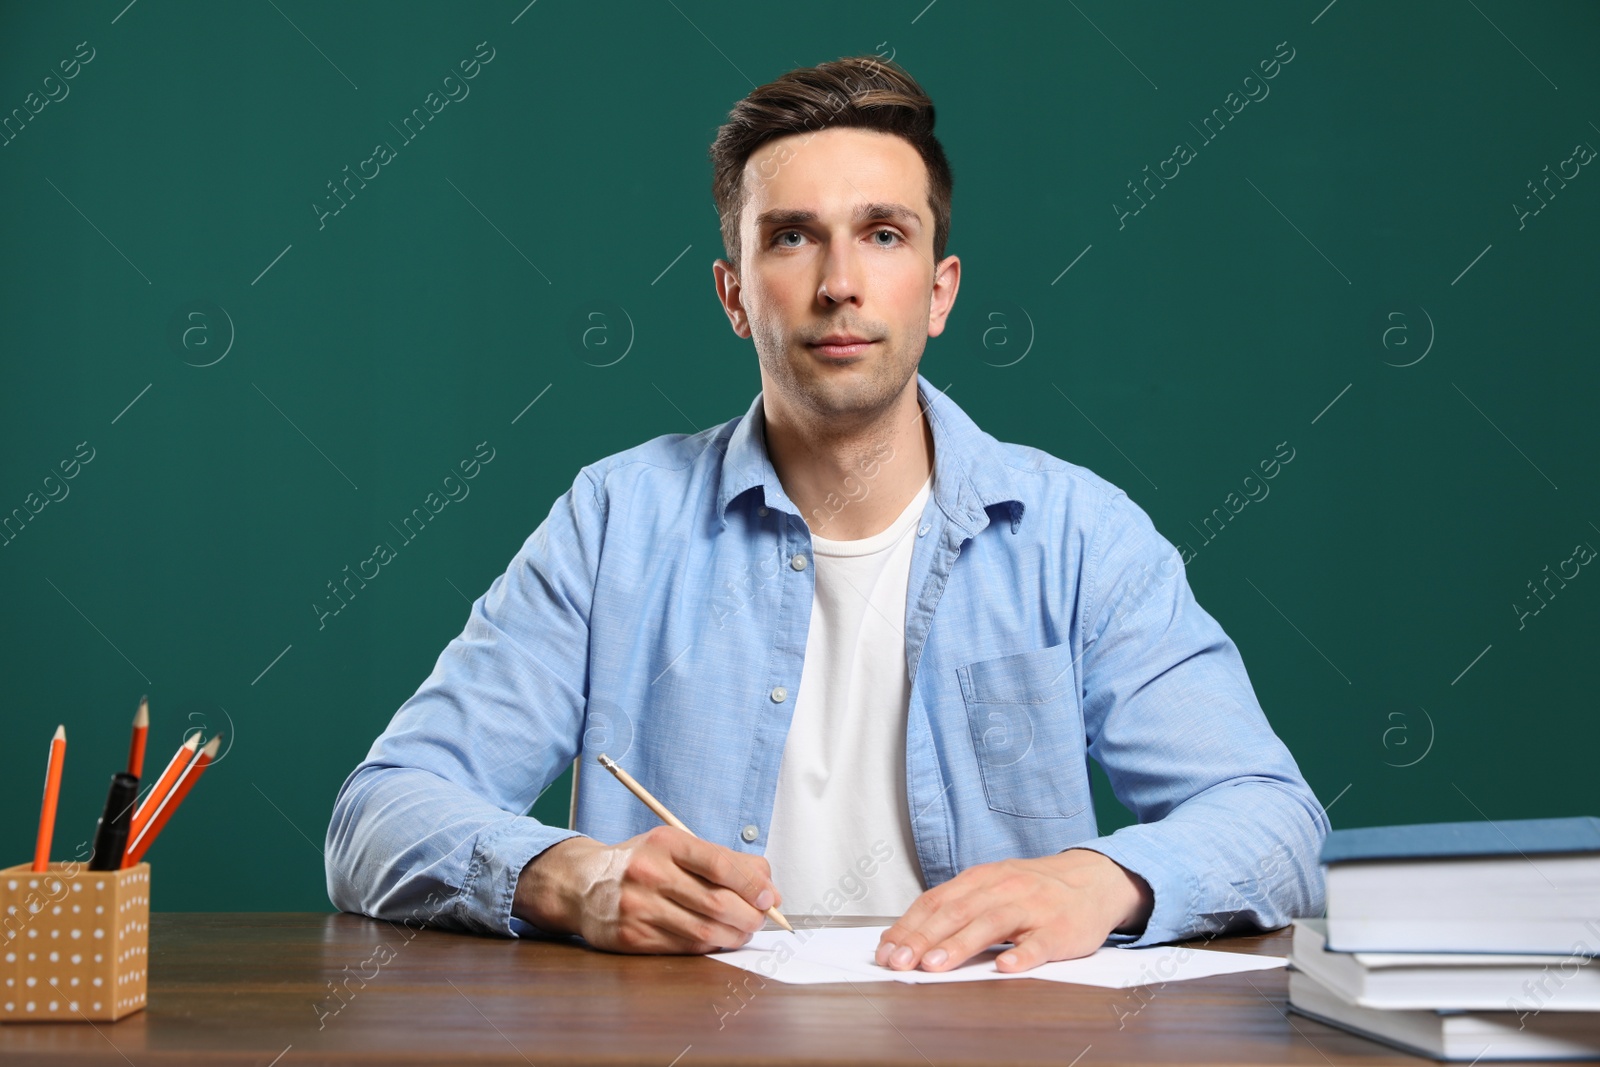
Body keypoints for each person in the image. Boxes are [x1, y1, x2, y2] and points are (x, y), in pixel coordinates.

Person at [325, 55, 1328, 975]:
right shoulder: (612, 523)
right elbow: (377, 816)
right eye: (792, 236)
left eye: (882, 234)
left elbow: (1273, 819)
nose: (839, 284)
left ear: (939, 291)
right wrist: (567, 879)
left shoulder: (1077, 534)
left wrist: (1097, 879)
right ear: (733, 293)